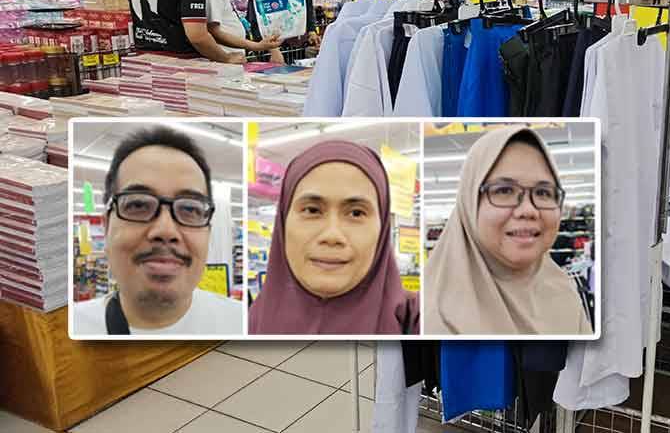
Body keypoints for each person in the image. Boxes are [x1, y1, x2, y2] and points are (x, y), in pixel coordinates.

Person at [73, 127, 243, 336]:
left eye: (189, 209)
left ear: (208, 231)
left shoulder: (245, 324)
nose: (165, 230)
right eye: (137, 205)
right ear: (107, 226)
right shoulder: (64, 336)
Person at [424, 125, 592, 335]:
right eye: (504, 190)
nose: (528, 210)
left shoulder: (564, 294)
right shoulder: (427, 316)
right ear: (470, 202)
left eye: (543, 192)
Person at [249, 140, 418, 335]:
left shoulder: (423, 324)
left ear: (382, 229)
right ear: (283, 221)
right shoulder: (242, 328)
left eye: (356, 213)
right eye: (312, 210)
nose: (332, 235)